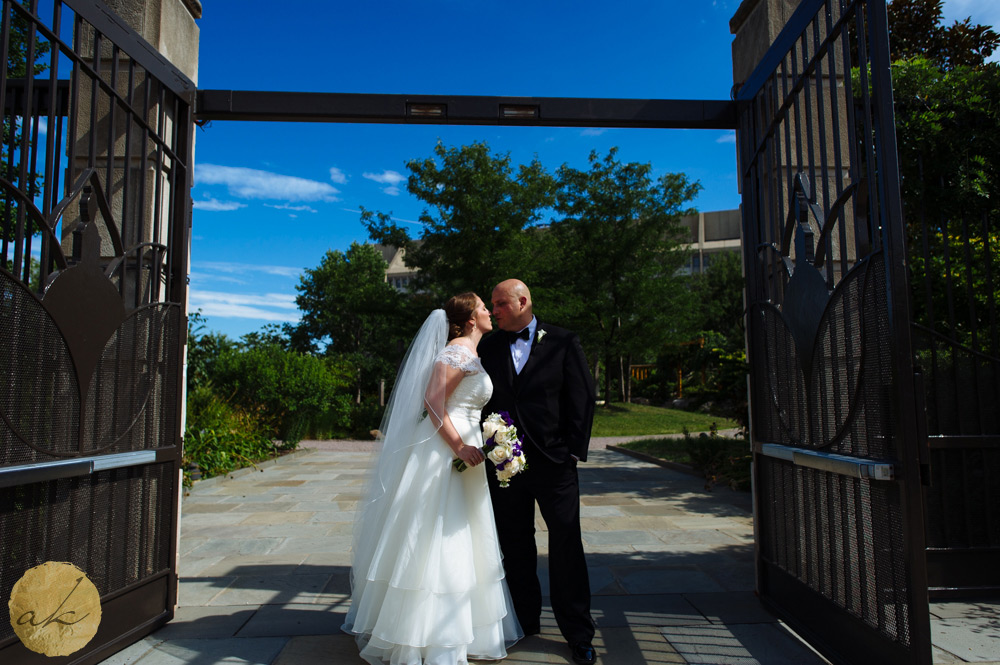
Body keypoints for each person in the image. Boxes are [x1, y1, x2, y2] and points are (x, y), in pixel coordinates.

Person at [342, 293, 523, 665]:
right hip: (447, 456)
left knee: (464, 538)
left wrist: (490, 436)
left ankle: (459, 631)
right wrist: (459, 446)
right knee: (440, 537)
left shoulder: (469, 354)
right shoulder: (456, 352)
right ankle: (429, 639)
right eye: (483, 308)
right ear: (470, 320)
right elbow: (433, 402)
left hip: (467, 453)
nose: (489, 312)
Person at [478, 279, 598, 665]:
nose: (494, 310)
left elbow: (582, 396)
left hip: (554, 462)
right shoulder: (488, 346)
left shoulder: (563, 341)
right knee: (514, 544)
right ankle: (524, 623)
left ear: (522, 301)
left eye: (499, 304)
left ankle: (578, 633)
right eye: (492, 305)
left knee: (566, 545)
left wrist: (572, 452)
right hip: (505, 463)